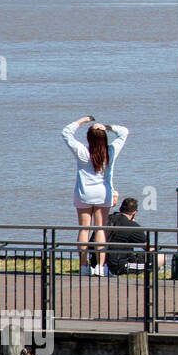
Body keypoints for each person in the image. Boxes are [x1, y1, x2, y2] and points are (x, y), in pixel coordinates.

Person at [62, 115, 129, 276]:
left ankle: (84, 266)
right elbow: (124, 132)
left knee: (84, 229)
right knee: (100, 230)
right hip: (102, 193)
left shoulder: (83, 152)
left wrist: (83, 120)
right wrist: (106, 127)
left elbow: (66, 133)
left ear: (88, 138)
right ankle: (100, 266)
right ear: (103, 136)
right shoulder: (110, 152)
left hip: (83, 193)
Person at [105, 197, 168, 276]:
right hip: (118, 265)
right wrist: (159, 247)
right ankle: (155, 273)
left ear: (120, 208)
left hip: (102, 262)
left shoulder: (107, 219)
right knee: (161, 257)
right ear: (135, 212)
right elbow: (149, 248)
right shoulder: (132, 226)